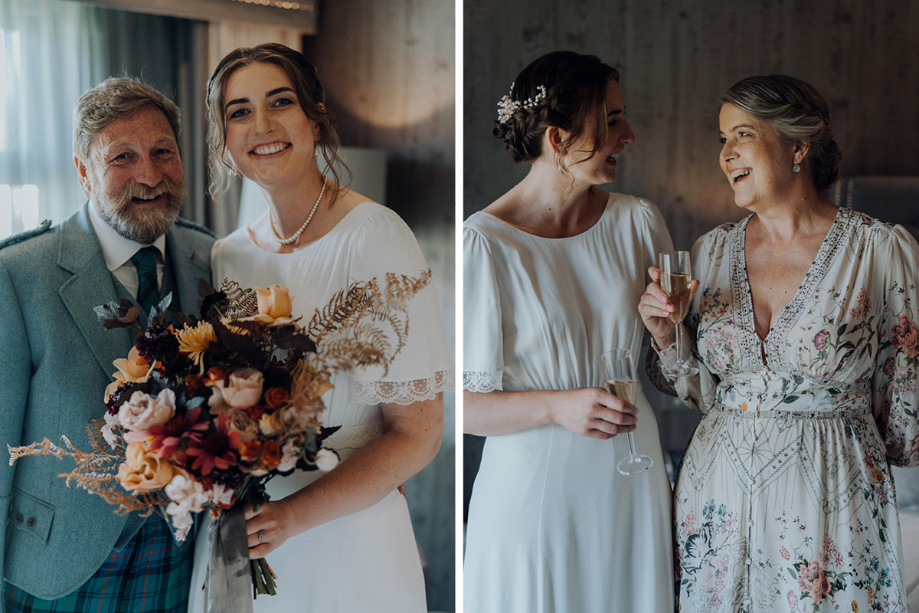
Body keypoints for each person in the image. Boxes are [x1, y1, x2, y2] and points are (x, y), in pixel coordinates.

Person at [186, 43, 452, 613]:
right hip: (246, 531)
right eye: (238, 112)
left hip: (348, 539)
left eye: (280, 102)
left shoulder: (376, 236)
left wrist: (292, 516)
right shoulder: (228, 256)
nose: (261, 125)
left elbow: (419, 433)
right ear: (224, 141)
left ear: (314, 117)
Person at [640, 75, 919, 612]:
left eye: (742, 135)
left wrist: (855, 451)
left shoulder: (880, 251)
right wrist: (667, 336)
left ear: (798, 145)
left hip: (832, 490)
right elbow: (699, 390)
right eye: (722, 139)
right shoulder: (709, 253)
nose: (726, 155)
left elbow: (905, 396)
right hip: (716, 490)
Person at [463, 51, 675, 613]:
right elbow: (459, 408)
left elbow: (675, 374)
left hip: (633, 475)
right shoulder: (486, 244)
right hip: (534, 491)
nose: (627, 134)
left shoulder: (639, 221)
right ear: (557, 139)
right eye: (610, 120)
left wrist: (666, 335)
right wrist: (556, 406)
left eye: (621, 116)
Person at [0, 78, 216, 612]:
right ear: (83, 173)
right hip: (55, 567)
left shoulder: (211, 260)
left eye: (163, 152)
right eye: (123, 156)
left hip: (177, 563)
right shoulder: (18, 274)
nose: (150, 174)